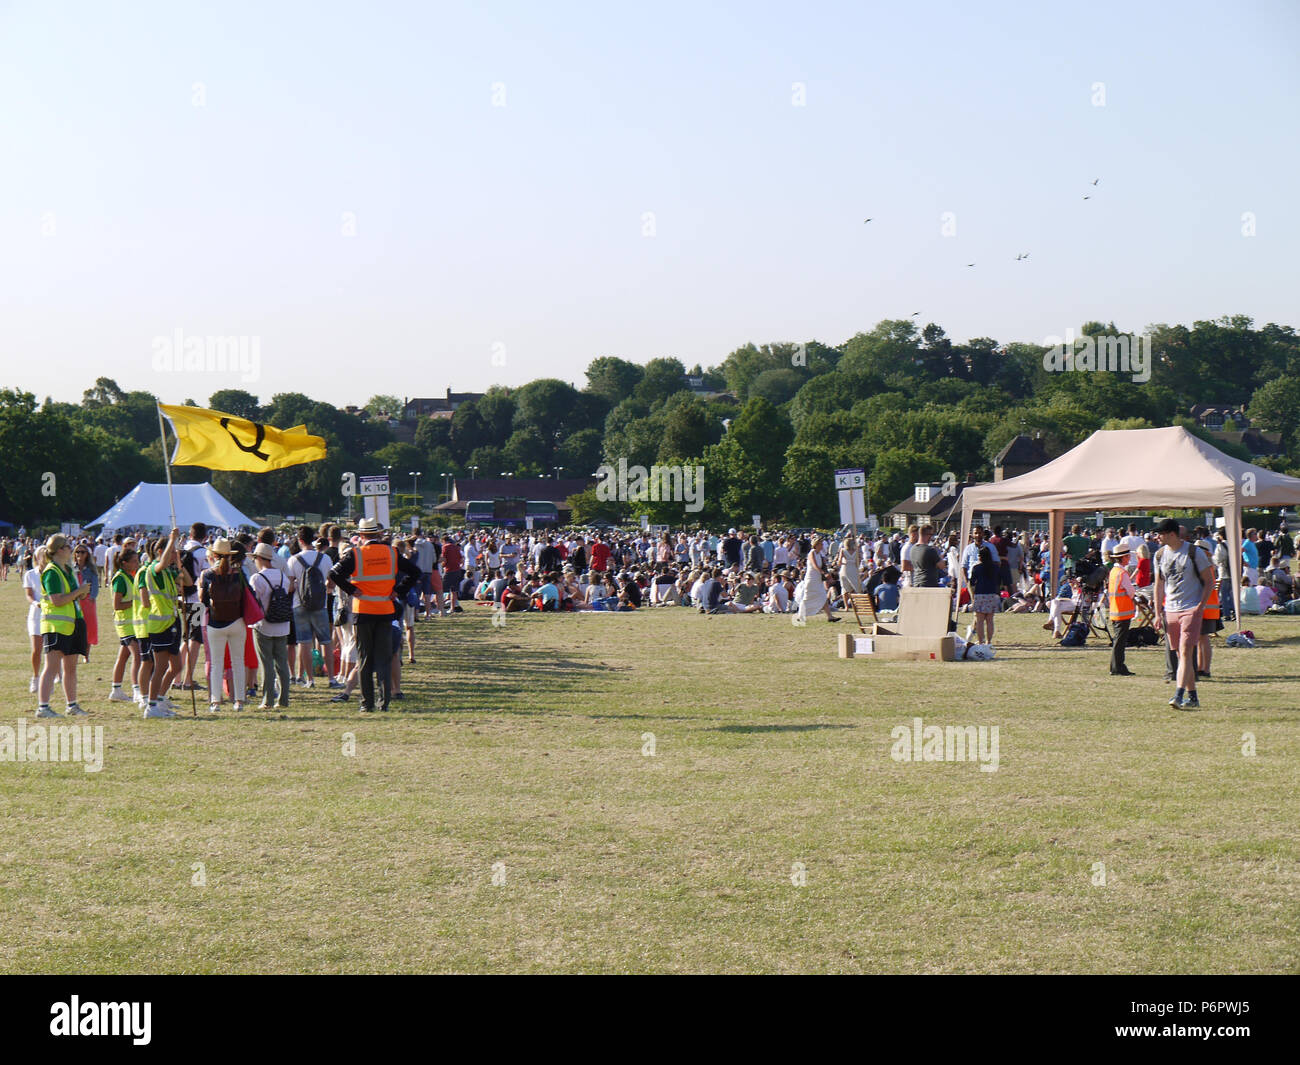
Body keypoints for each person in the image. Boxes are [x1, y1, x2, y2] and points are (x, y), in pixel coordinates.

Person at [329, 519, 420, 712]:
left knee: (364, 659)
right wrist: (399, 590)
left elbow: (334, 573)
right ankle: (383, 702)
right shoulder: (392, 552)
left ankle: (366, 703)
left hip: (363, 611)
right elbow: (415, 572)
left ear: (361, 535)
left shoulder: (356, 554)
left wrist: (351, 589)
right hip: (386, 612)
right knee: (384, 658)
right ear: (378, 534)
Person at [1154, 517, 1214, 710]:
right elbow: (1159, 585)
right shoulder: (1160, 555)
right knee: (1181, 655)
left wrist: (1200, 606)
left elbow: (1209, 581)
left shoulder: (1193, 552)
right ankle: (1193, 697)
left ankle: (1178, 695)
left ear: (1171, 534)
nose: (1158, 537)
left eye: (1161, 533)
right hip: (1170, 609)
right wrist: (1157, 612)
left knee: (1187, 651)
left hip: (1191, 608)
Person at [35, 535, 91, 718]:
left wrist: (82, 593)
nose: (71, 549)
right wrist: (79, 592)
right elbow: (56, 600)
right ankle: (43, 707)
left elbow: (74, 596)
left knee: (71, 668)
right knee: (51, 668)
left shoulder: (67, 569)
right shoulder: (52, 571)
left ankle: (72, 705)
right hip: (55, 625)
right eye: (68, 546)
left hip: (72, 623)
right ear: (59, 550)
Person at [198, 538, 251, 714]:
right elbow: (248, 596)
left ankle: (215, 702)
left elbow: (203, 601)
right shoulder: (238, 573)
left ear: (213, 555)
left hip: (215, 623)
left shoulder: (207, 574)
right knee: (238, 662)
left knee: (216, 664)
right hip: (237, 622)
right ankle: (239, 701)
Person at [287, 526, 336, 689]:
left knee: (304, 643)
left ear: (300, 541)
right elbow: (331, 582)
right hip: (320, 604)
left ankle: (309, 680)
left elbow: (290, 586)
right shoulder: (325, 559)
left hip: (299, 604)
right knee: (326, 642)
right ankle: (331, 679)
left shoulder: (294, 560)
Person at [250, 542, 295, 710]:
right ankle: (284, 699)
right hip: (283, 623)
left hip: (264, 624)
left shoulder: (257, 578)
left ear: (259, 559)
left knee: (267, 663)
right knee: (282, 663)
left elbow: (255, 602)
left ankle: (268, 699)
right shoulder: (283, 576)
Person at [107, 547, 144, 705]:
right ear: (124, 563)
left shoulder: (130, 576)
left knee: (123, 656)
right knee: (138, 655)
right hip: (125, 624)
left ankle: (116, 689)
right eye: (134, 561)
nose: (137, 563)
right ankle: (137, 690)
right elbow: (117, 605)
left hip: (133, 623)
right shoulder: (120, 578)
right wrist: (137, 602)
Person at [1107, 545, 1136, 675]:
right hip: (1123, 611)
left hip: (1115, 610)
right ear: (1123, 557)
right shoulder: (1122, 573)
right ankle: (1118, 667)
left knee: (1117, 640)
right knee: (1120, 642)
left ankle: (1116, 666)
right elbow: (1131, 592)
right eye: (1128, 556)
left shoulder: (1113, 572)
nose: (1129, 558)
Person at [795, 536, 839, 622]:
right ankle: (800, 615)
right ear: (816, 545)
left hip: (818, 579)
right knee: (807, 597)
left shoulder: (820, 554)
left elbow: (823, 565)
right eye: (821, 544)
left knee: (823, 597)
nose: (822, 545)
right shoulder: (812, 553)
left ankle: (830, 617)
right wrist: (823, 573)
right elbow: (814, 565)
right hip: (811, 579)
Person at [24, 545, 48, 694]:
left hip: (52, 613)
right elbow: (29, 594)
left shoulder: (54, 573)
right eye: (42, 556)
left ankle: (53, 676)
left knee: (52, 649)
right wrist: (35, 603)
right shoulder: (30, 574)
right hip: (36, 613)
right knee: (36, 649)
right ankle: (35, 677)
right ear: (37, 558)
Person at [969, 545, 1000, 647]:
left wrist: (972, 595)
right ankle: (989, 641)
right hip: (992, 594)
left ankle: (981, 641)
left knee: (980, 621)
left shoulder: (976, 568)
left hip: (980, 594)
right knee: (990, 620)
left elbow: (972, 582)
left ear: (980, 556)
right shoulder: (995, 567)